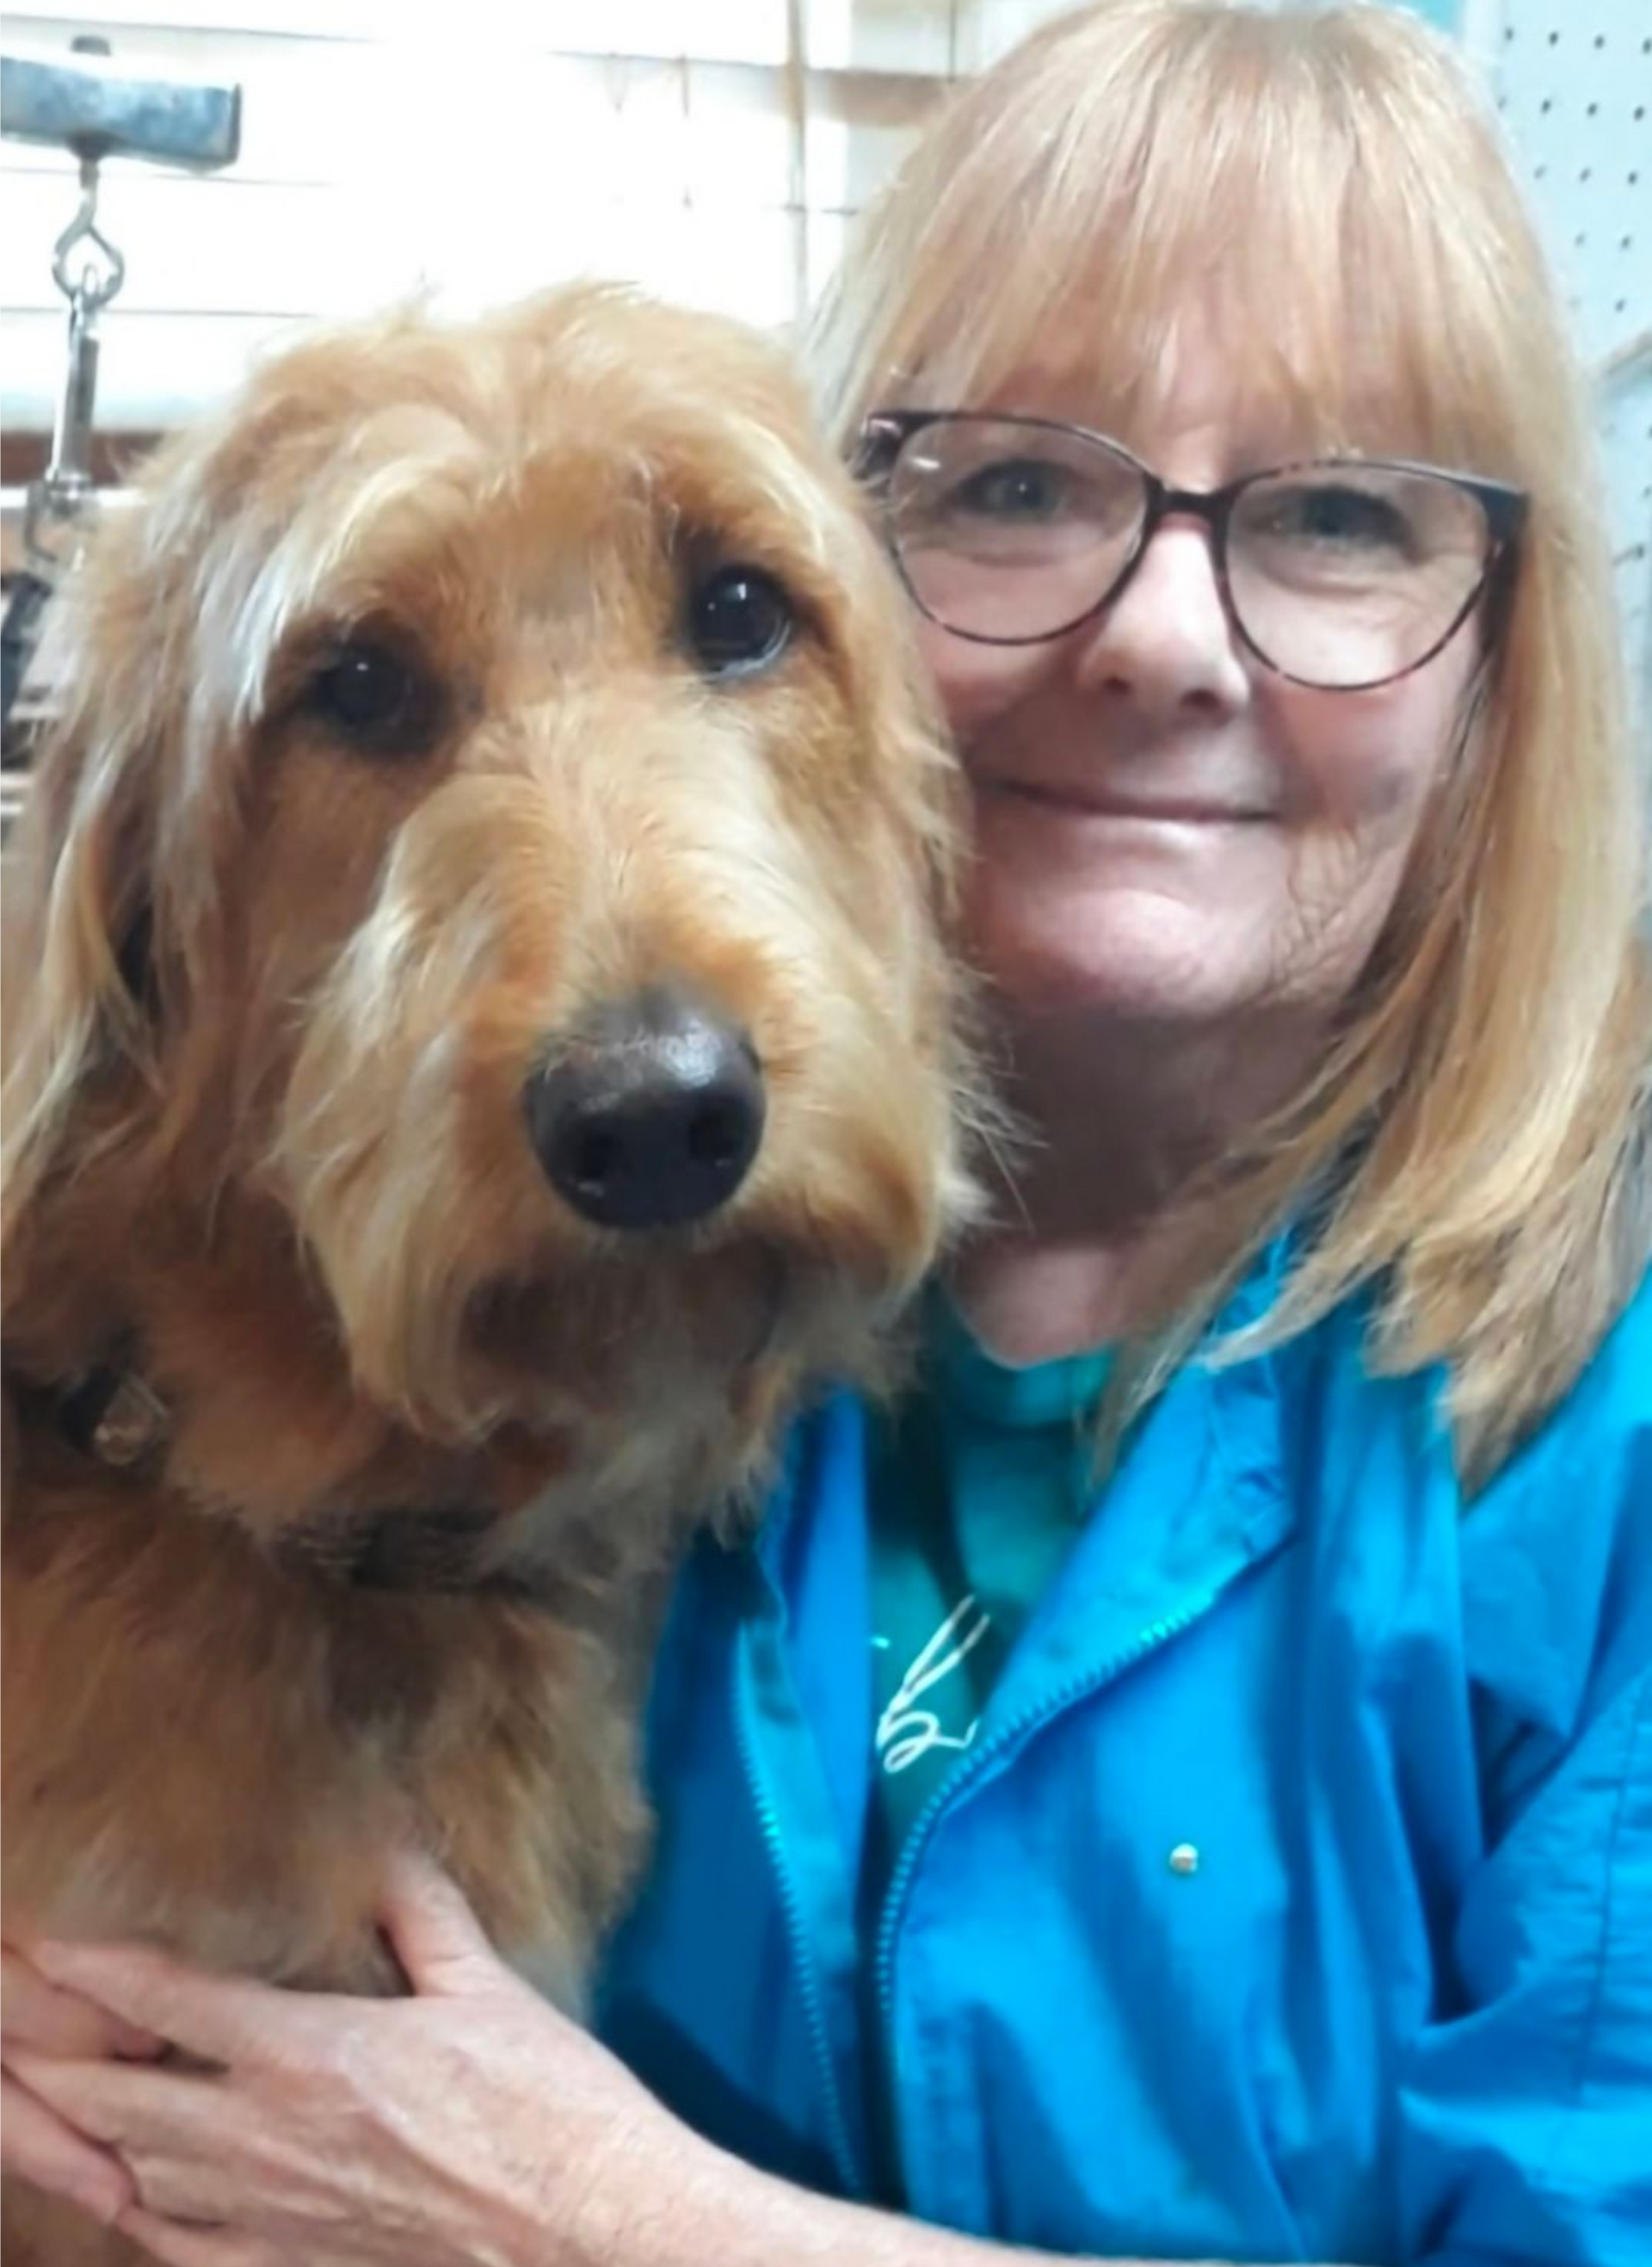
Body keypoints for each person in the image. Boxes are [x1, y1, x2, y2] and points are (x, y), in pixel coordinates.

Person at [3, 3, 1650, 2263]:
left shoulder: (1594, 1443)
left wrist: (598, 2218)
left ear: (1504, 657)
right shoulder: (585, 1344)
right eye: (1023, 486)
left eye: (1341, 516)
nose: (1168, 638)